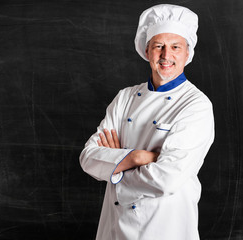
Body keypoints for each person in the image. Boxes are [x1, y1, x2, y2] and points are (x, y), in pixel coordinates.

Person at [79, 4, 215, 240]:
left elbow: (167, 179)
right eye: (158, 46)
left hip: (165, 226)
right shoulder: (125, 97)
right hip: (114, 226)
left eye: (175, 47)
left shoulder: (196, 105)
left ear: (187, 53)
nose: (166, 56)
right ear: (146, 49)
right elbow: (88, 158)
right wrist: (136, 157)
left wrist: (115, 166)